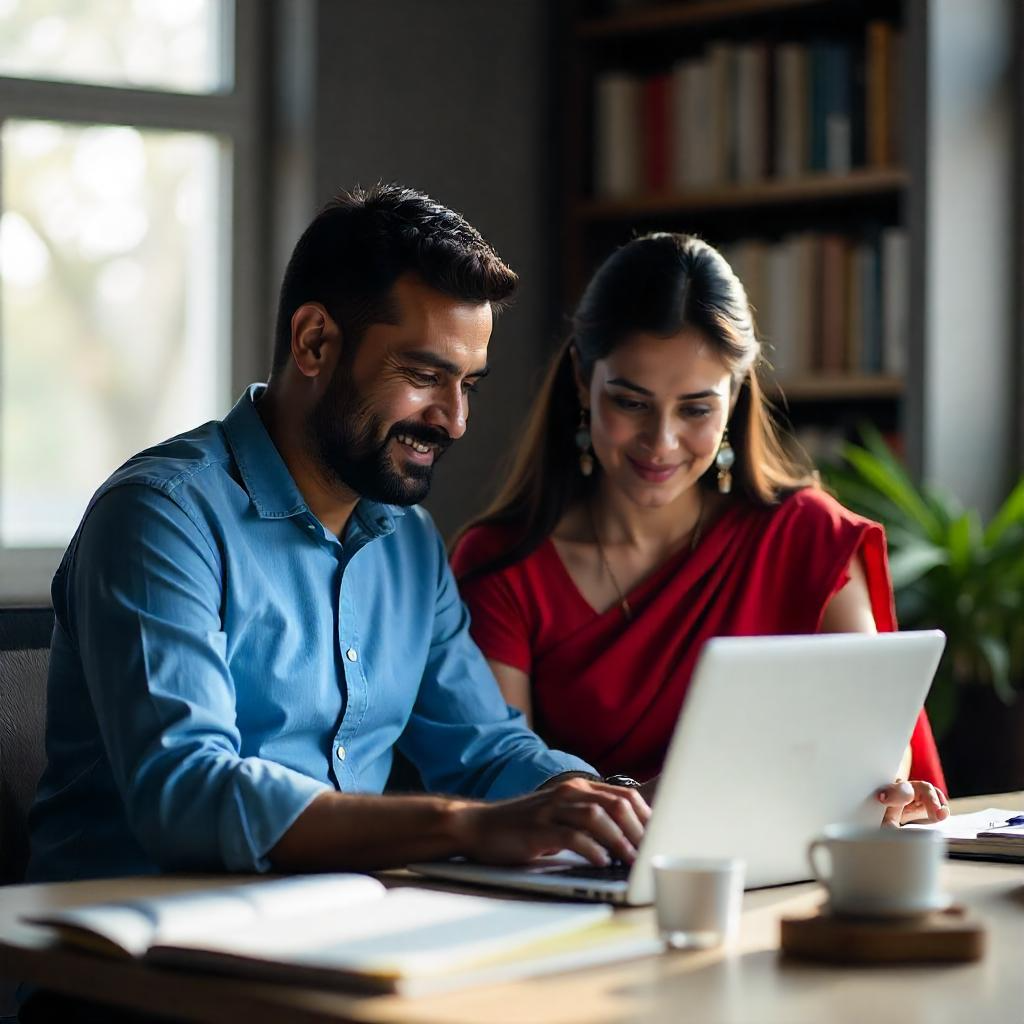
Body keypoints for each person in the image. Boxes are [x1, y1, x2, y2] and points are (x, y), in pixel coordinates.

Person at [26, 184, 651, 891]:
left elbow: (483, 750)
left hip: (332, 933)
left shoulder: (408, 543)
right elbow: (186, 794)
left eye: (468, 385)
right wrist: (465, 825)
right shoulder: (160, 517)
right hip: (128, 966)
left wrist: (605, 806)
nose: (454, 421)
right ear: (315, 342)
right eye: (424, 376)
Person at [451, 232, 948, 826]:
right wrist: (649, 802)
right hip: (589, 888)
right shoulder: (506, 563)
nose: (661, 443)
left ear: (735, 398)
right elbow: (497, 785)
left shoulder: (809, 537)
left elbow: (875, 742)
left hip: (799, 875)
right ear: (582, 380)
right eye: (631, 403)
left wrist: (886, 787)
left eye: (695, 409)